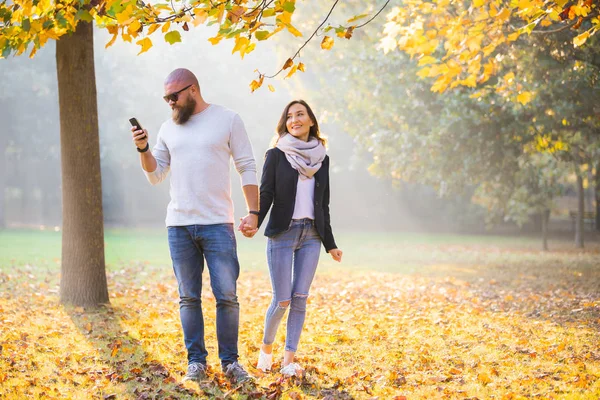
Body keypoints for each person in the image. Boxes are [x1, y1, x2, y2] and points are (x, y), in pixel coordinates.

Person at [131, 68, 258, 384]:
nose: (170, 103)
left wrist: (254, 212)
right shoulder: (167, 129)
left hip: (218, 224)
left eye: (174, 96)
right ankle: (196, 363)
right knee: (188, 297)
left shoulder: (227, 119)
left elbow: (246, 166)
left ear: (193, 90)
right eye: (166, 98)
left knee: (227, 295)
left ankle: (230, 363)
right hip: (180, 226)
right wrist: (144, 148)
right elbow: (155, 174)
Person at [240, 99, 343, 377]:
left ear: (311, 120)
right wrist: (254, 221)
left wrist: (330, 244)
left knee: (300, 298)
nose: (294, 120)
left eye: (300, 114)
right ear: (284, 123)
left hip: (312, 235)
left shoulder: (322, 158)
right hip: (283, 234)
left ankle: (289, 361)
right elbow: (267, 194)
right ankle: (266, 349)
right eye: (289, 116)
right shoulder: (276, 155)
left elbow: (324, 204)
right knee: (282, 300)